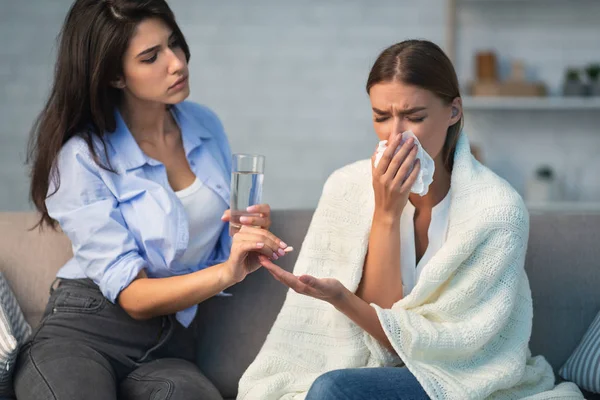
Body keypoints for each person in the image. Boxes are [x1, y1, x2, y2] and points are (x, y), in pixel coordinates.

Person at [238, 40, 583, 399]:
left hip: (454, 376)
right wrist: (386, 212)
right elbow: (380, 350)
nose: (395, 134)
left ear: (453, 112)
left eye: (414, 117)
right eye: (380, 117)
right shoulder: (346, 188)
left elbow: (467, 349)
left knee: (334, 389)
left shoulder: (497, 211)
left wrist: (344, 299)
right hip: (374, 374)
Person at [13, 1, 290, 399]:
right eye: (151, 57)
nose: (177, 63)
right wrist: (227, 273)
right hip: (87, 330)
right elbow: (134, 298)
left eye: (174, 44)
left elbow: (216, 241)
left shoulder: (204, 125)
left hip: (169, 344)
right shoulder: (82, 157)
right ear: (113, 75)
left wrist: (244, 234)